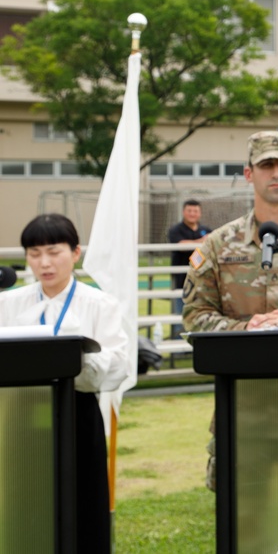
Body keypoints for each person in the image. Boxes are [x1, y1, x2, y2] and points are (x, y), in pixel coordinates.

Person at [0, 213, 129, 554]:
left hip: (77, 412)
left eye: (54, 252)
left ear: (75, 253)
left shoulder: (100, 303)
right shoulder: (9, 303)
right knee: (23, 501)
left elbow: (117, 364)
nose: (44, 263)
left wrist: (68, 360)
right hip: (22, 414)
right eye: (34, 253)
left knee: (83, 501)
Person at [182, 130, 278, 491]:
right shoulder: (218, 245)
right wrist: (246, 329)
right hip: (241, 405)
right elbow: (195, 316)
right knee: (243, 520)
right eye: (267, 165)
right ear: (249, 173)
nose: (277, 173)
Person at [166, 199, 210, 337]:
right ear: (183, 212)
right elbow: (181, 245)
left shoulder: (206, 230)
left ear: (200, 213)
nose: (192, 214)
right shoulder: (175, 230)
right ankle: (177, 349)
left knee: (201, 314)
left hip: (202, 281)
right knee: (179, 314)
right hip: (181, 281)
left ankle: (196, 346)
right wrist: (201, 242)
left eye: (195, 211)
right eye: (189, 211)